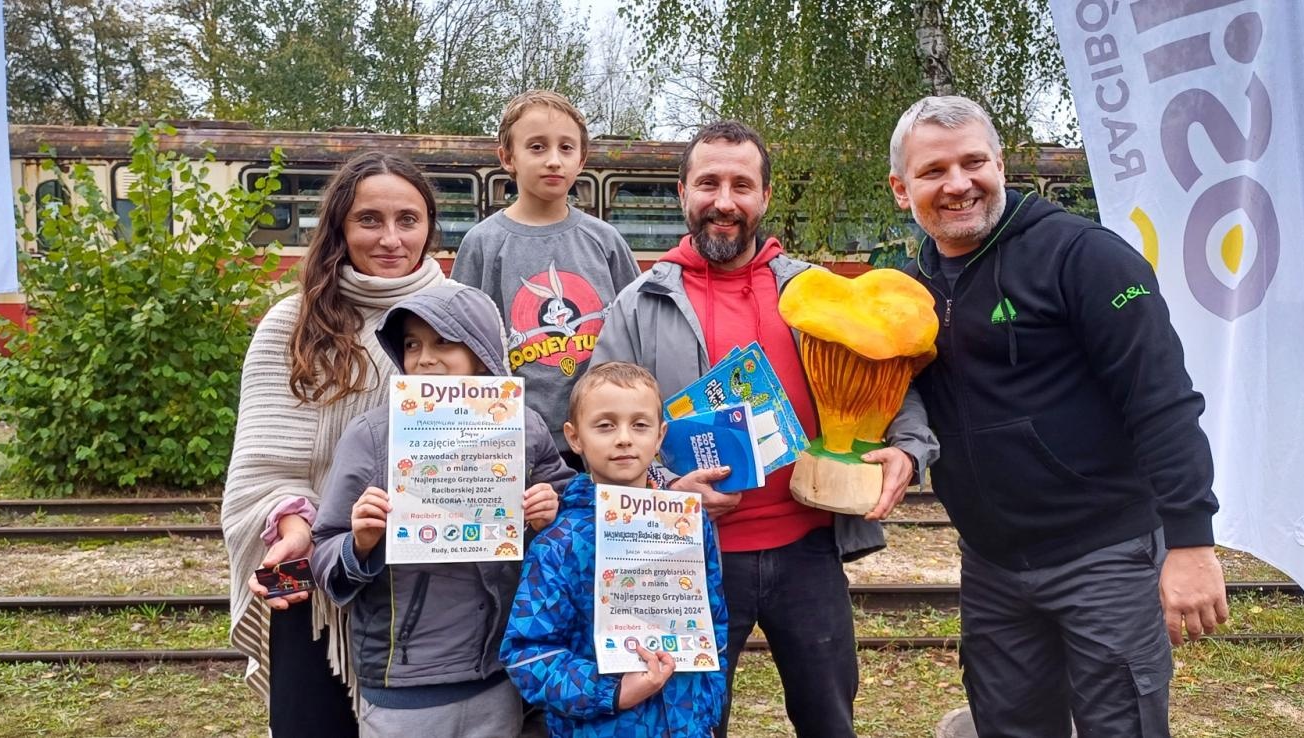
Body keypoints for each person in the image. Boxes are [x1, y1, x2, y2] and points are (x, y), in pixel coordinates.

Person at [887, 95, 1229, 737]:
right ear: (902, 190)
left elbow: (1162, 402)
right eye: (934, 171)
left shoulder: (1085, 256)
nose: (958, 184)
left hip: (1105, 556)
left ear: (1000, 165)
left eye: (974, 162)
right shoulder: (910, 290)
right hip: (990, 566)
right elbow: (902, 397)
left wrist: (1190, 542)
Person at [591, 121, 938, 738]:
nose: (724, 200)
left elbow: (893, 378)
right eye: (709, 183)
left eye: (741, 185)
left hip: (807, 550)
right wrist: (668, 490)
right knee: (691, 726)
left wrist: (908, 450)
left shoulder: (817, 293)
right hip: (689, 560)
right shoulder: (638, 304)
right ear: (682, 193)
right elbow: (599, 426)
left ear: (765, 198)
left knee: (830, 719)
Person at [222, 151, 450, 734]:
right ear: (339, 228)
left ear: (429, 226)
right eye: (369, 220)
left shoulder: (464, 316)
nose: (391, 238)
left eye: (408, 219)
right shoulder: (291, 323)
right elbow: (260, 468)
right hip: (317, 577)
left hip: (439, 587)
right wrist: (296, 525)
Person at [308, 282, 574, 736]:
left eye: (443, 342)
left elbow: (575, 524)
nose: (424, 358)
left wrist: (551, 512)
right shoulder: (373, 435)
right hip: (404, 685)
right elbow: (324, 551)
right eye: (412, 344)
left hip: (499, 674)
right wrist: (360, 543)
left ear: (482, 353)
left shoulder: (523, 428)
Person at [500, 361, 728, 737]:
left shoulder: (690, 525)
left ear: (660, 436)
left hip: (686, 725)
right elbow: (528, 653)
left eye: (640, 425)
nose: (624, 438)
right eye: (605, 425)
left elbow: (713, 622)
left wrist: (705, 705)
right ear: (574, 438)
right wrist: (614, 692)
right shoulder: (560, 541)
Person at [452, 90, 642, 471]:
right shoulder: (483, 244)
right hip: (514, 439)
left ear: (582, 159)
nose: (554, 160)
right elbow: (461, 342)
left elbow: (635, 329)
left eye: (566, 148)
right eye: (537, 147)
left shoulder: (605, 241)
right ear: (507, 157)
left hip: (603, 442)